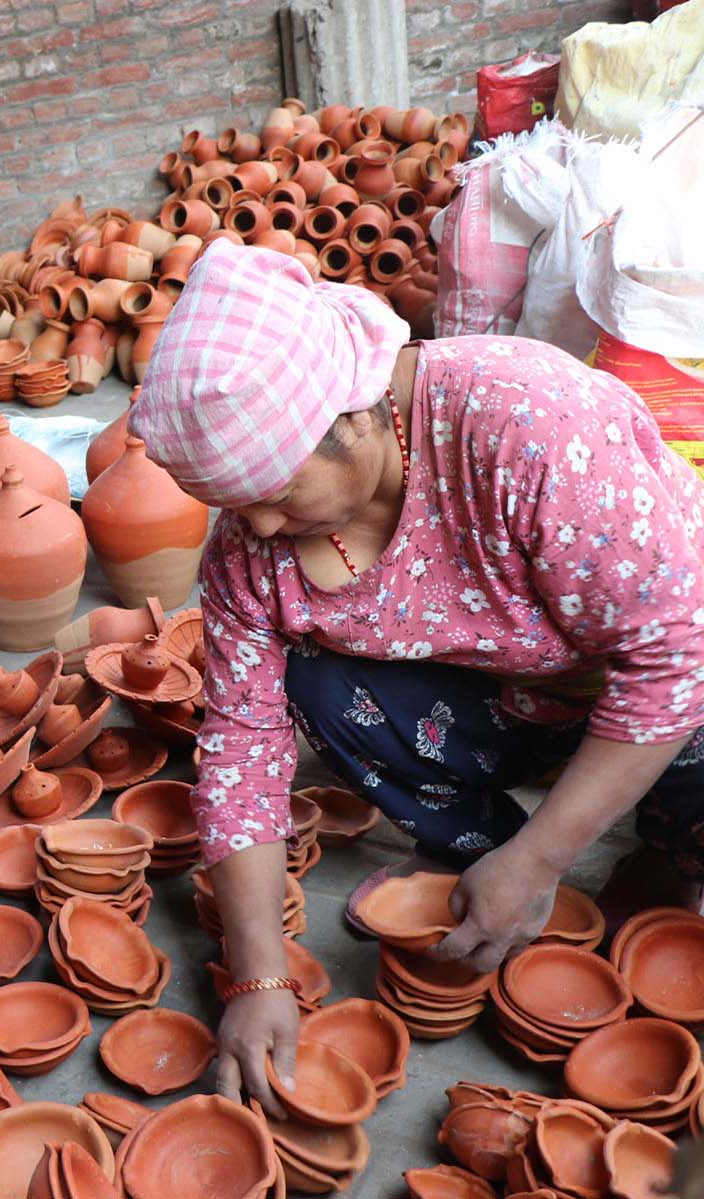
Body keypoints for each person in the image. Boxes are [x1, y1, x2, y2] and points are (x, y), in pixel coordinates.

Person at [129, 243, 704, 1116]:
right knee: (317, 681)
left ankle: (613, 848)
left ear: (353, 416)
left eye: (274, 492)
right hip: (512, 695)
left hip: (669, 682)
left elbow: (670, 656)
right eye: (230, 502)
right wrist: (255, 973)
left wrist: (548, 854)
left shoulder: (529, 428)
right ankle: (486, 858)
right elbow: (240, 741)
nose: (253, 524)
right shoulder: (254, 545)